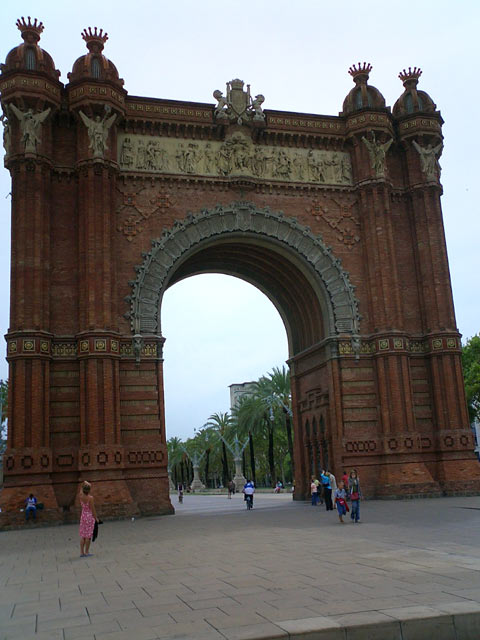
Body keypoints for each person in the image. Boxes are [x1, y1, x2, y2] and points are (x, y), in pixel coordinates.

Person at [79, 481, 99, 557]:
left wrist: (85, 483)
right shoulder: (90, 498)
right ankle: (86, 552)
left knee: (83, 535)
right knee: (88, 536)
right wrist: (96, 518)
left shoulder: (80, 496)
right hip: (89, 517)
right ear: (89, 490)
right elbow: (93, 510)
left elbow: (82, 486)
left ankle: (81, 552)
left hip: (83, 516)